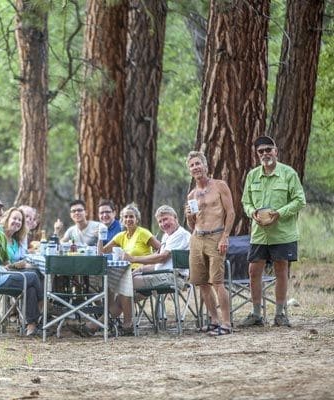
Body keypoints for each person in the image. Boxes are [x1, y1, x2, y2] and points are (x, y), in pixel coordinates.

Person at [240, 136, 306, 328]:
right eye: (261, 151)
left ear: (276, 151)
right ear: (257, 154)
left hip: (283, 233)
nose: (265, 154)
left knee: (281, 270)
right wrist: (252, 212)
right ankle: (256, 314)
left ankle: (280, 315)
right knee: (254, 271)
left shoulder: (288, 174)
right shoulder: (252, 175)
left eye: (268, 149)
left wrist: (280, 213)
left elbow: (299, 200)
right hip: (259, 234)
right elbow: (246, 201)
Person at [185, 150, 235, 336]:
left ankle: (226, 323)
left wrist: (225, 236)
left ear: (205, 166)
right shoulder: (192, 195)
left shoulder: (220, 186)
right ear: (190, 171)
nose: (195, 167)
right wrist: (189, 217)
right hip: (197, 238)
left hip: (216, 236)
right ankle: (214, 320)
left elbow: (231, 213)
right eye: (192, 165)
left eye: (198, 164)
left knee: (217, 281)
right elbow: (192, 223)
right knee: (202, 282)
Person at [97, 204, 161, 335]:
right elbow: (102, 252)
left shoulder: (143, 233)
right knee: (109, 287)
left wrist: (144, 263)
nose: (128, 219)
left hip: (141, 275)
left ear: (137, 219)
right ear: (122, 219)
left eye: (131, 216)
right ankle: (97, 325)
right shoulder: (121, 236)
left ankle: (113, 324)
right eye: (125, 217)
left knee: (121, 291)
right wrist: (100, 237)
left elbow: (160, 250)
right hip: (125, 274)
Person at [129, 205, 191, 290]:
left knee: (127, 283)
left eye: (165, 219)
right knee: (127, 282)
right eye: (160, 221)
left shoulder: (181, 234)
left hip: (174, 278)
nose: (163, 224)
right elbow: (160, 265)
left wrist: (134, 259)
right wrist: (139, 270)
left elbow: (162, 258)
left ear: (175, 217)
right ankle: (120, 303)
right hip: (162, 274)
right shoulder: (166, 235)